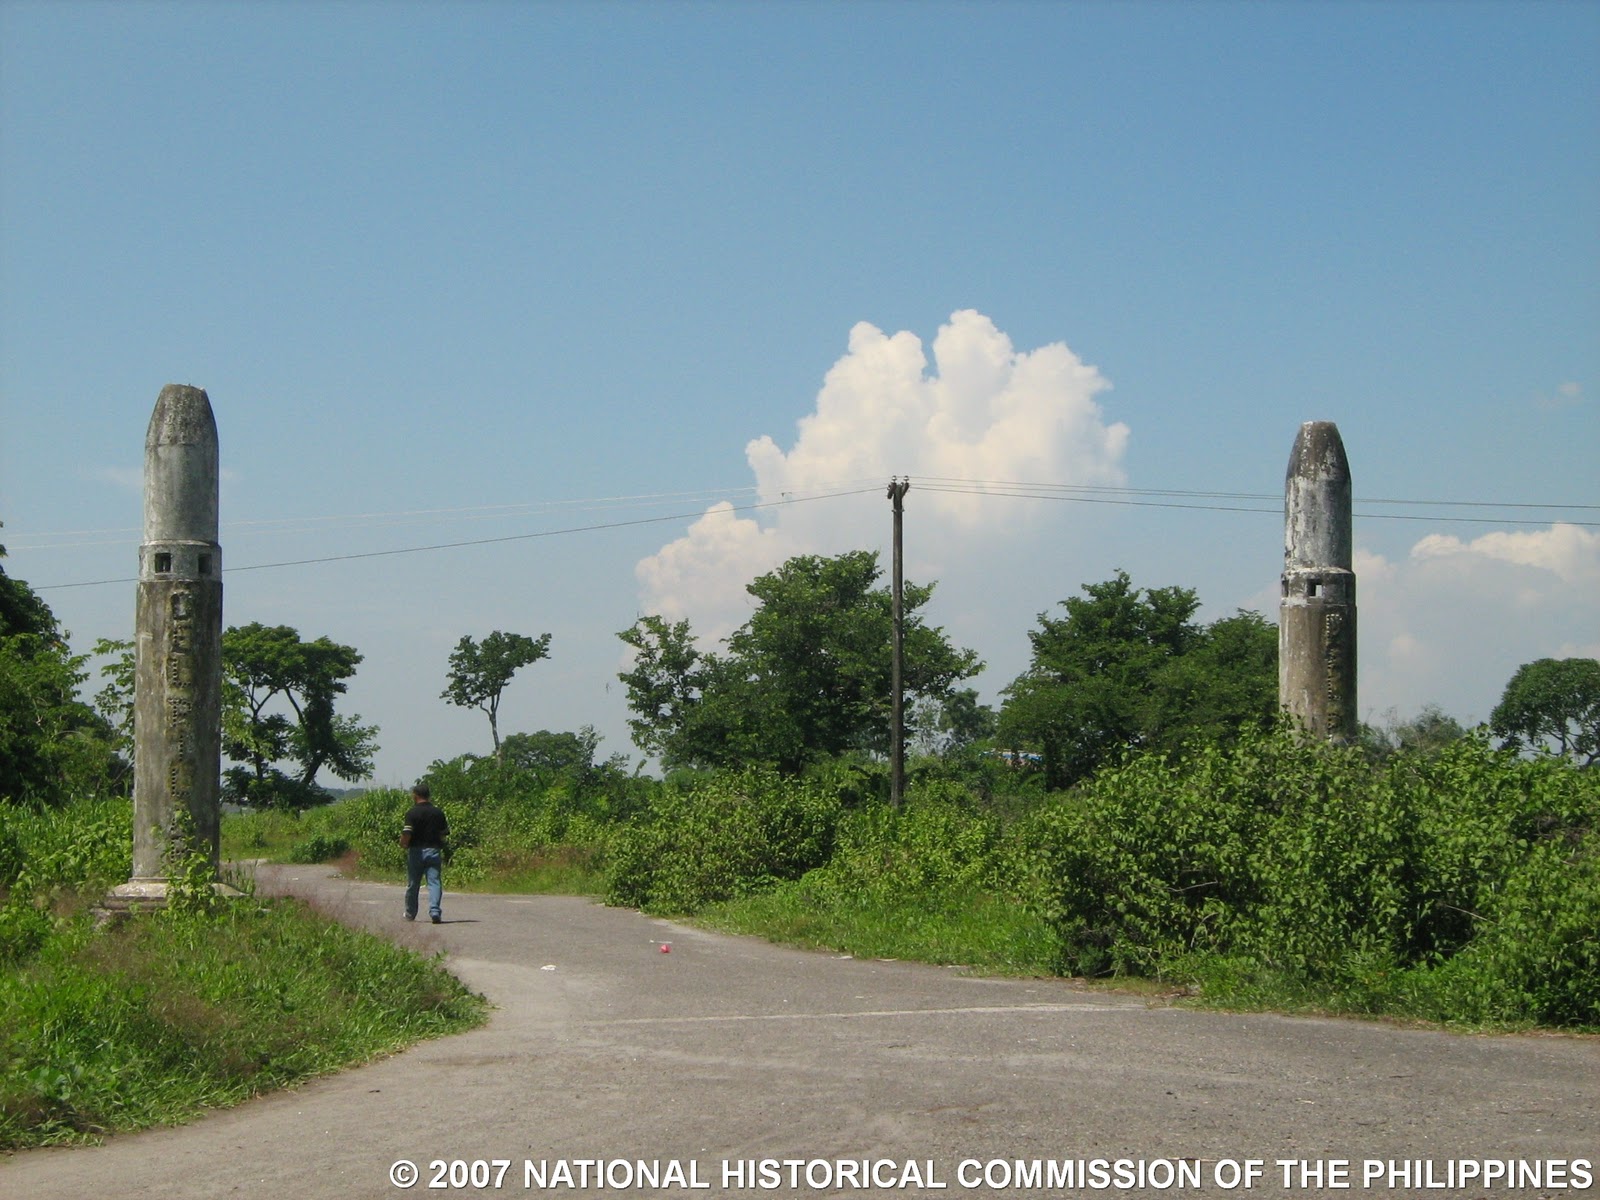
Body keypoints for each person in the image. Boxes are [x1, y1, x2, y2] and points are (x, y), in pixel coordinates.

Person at [400, 782, 448, 923]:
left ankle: (410, 913)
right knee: (434, 882)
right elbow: (443, 833)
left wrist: (403, 843)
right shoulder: (438, 812)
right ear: (428, 795)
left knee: (413, 883)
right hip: (434, 850)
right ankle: (434, 911)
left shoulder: (412, 813)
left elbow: (407, 833)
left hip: (416, 851)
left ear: (415, 795)